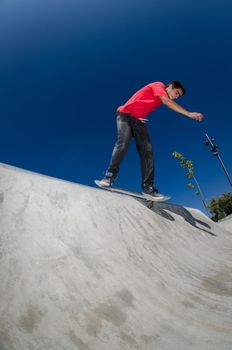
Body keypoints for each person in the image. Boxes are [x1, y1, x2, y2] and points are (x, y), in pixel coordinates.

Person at [99, 81, 204, 199]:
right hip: (125, 116)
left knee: (147, 151)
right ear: (170, 86)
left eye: (178, 96)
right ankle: (109, 175)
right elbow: (166, 101)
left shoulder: (159, 99)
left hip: (139, 121)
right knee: (122, 144)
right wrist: (189, 113)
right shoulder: (159, 86)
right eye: (177, 93)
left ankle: (148, 187)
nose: (176, 97)